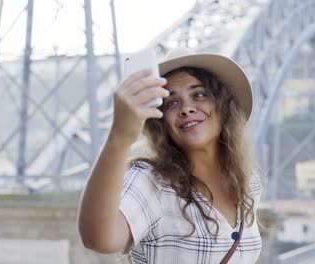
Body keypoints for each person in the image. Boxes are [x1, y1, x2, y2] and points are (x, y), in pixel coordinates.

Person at [78, 47, 262, 263]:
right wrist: (119, 138)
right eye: (172, 102)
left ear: (223, 106)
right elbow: (99, 239)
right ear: (162, 121)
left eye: (199, 95)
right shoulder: (153, 182)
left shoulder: (247, 183)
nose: (186, 108)